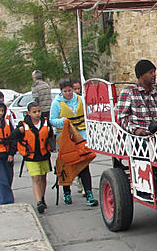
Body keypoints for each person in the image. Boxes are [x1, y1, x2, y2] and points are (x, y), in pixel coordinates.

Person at [50, 77, 97, 206]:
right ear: (61, 91)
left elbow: (88, 114)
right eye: (65, 91)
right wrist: (63, 121)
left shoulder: (80, 100)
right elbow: (52, 120)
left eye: (70, 90)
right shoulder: (57, 103)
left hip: (81, 137)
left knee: (84, 164)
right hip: (65, 138)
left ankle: (89, 193)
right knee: (66, 165)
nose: (68, 93)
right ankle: (67, 193)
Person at [13, 100, 54, 214]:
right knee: (36, 178)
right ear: (29, 113)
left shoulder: (45, 122)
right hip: (31, 156)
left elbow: (50, 136)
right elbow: (14, 136)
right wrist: (18, 131)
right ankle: (39, 202)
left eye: (39, 111)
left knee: (43, 177)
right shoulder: (23, 125)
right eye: (34, 112)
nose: (37, 114)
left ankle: (42, 197)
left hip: (44, 154)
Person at [115, 59, 157, 136]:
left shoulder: (156, 93)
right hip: (137, 137)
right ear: (141, 75)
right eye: (150, 72)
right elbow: (122, 118)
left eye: (154, 72)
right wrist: (135, 130)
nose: (154, 75)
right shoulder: (129, 92)